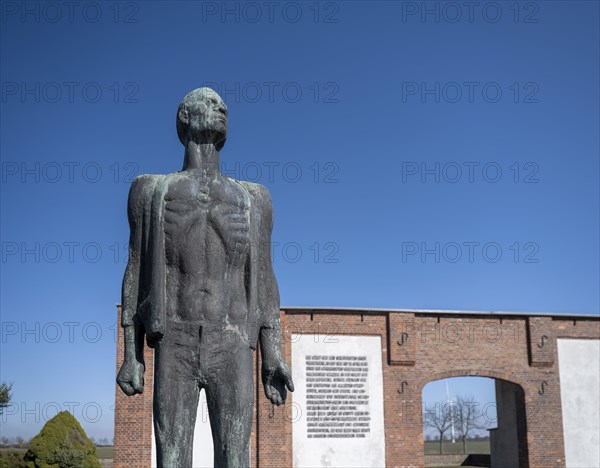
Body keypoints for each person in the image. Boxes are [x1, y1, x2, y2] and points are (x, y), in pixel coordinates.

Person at [116, 87, 294, 468]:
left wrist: (272, 352)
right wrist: (131, 353)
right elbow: (134, 268)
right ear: (184, 115)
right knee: (172, 457)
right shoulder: (149, 191)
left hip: (231, 343)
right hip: (174, 341)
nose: (221, 108)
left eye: (223, 106)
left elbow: (264, 279)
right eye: (209, 103)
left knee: (235, 457)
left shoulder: (254, 198)